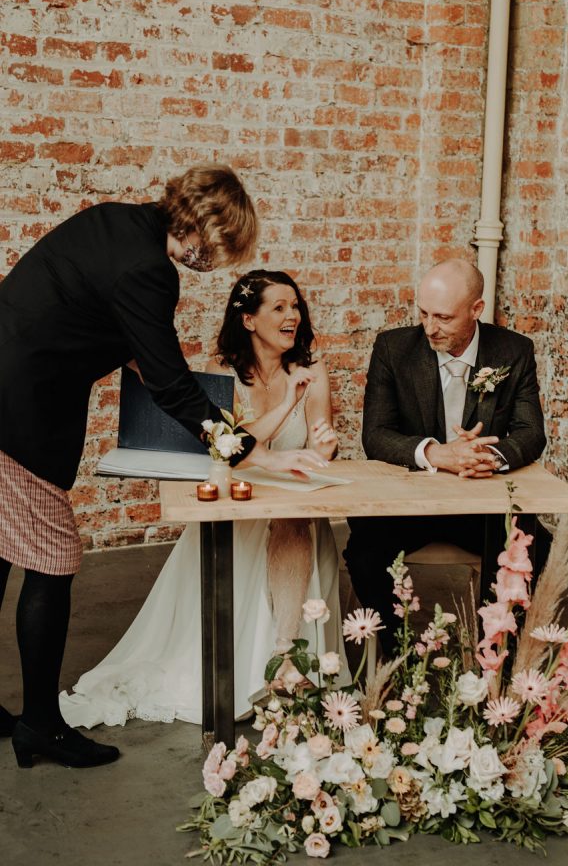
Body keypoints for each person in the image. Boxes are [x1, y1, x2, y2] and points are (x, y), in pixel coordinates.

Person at [0, 166, 327, 769]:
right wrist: (249, 451)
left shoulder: (114, 220)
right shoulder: (150, 269)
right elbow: (174, 385)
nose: (217, 264)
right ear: (204, 228)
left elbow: (120, 334)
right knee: (53, 560)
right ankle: (40, 725)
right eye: (223, 249)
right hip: (19, 416)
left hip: (6, 390)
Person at [59, 269, 350, 728]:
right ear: (250, 320)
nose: (292, 316)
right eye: (279, 307)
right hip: (237, 503)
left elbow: (319, 442)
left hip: (293, 502)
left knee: (294, 521)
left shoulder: (312, 371)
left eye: (296, 306)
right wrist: (285, 406)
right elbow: (229, 447)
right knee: (280, 520)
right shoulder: (222, 373)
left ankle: (285, 658)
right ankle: (281, 663)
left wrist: (323, 447)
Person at [344, 258, 548, 653]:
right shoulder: (393, 348)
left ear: (476, 310)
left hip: (479, 507)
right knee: (364, 550)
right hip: (408, 505)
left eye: (442, 317)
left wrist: (487, 455)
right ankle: (394, 656)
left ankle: (496, 654)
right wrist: (439, 454)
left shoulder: (514, 350)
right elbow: (377, 435)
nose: (429, 327)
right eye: (423, 313)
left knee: (531, 543)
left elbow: (530, 432)